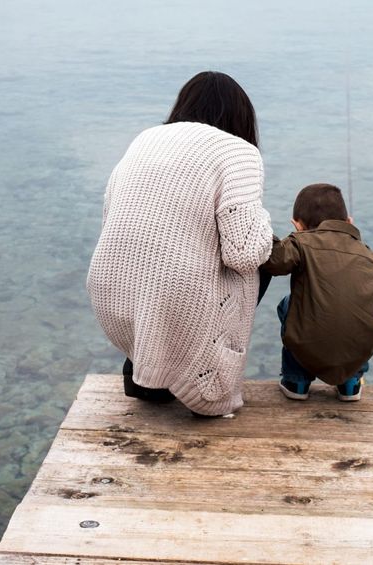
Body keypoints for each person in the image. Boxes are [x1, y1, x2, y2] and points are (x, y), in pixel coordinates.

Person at [87, 71, 274, 417]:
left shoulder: (145, 138)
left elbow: (113, 215)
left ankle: (143, 369)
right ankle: (207, 376)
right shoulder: (239, 151)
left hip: (112, 289)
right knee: (264, 262)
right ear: (241, 116)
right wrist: (265, 223)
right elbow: (244, 253)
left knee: (161, 258)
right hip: (174, 295)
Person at [262, 183, 373, 401]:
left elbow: (275, 261)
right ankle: (350, 384)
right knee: (359, 317)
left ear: (298, 225)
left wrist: (260, 227)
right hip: (357, 346)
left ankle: (296, 382)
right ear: (349, 222)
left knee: (287, 305)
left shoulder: (301, 242)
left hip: (307, 339)